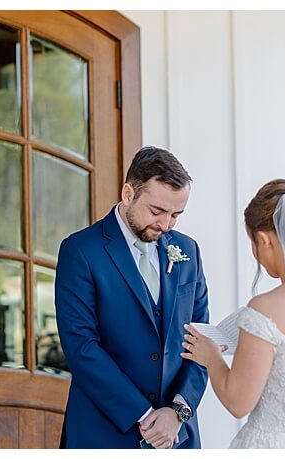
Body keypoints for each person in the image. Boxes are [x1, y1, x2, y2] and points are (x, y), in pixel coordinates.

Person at [55, 146, 210, 448]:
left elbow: (202, 340)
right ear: (128, 193)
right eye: (157, 211)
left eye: (176, 215)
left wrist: (177, 412)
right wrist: (145, 415)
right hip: (103, 433)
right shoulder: (81, 251)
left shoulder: (188, 251)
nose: (165, 225)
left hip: (176, 436)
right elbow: (81, 348)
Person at [182, 179, 285, 448]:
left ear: (264, 239)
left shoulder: (265, 309)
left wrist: (211, 356)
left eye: (253, 242)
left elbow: (238, 401)